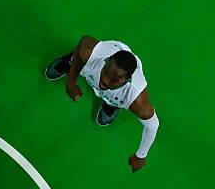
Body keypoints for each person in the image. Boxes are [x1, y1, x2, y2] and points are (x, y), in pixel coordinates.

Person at [45, 36, 159, 172]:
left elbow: (153, 125)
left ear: (127, 80)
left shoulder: (135, 98)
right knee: (78, 61)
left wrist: (141, 156)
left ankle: (111, 104)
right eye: (105, 72)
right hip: (100, 58)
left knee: (114, 97)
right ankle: (66, 62)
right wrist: (71, 82)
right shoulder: (92, 55)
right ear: (107, 61)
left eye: (114, 80)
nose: (104, 80)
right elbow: (84, 40)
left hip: (119, 94)